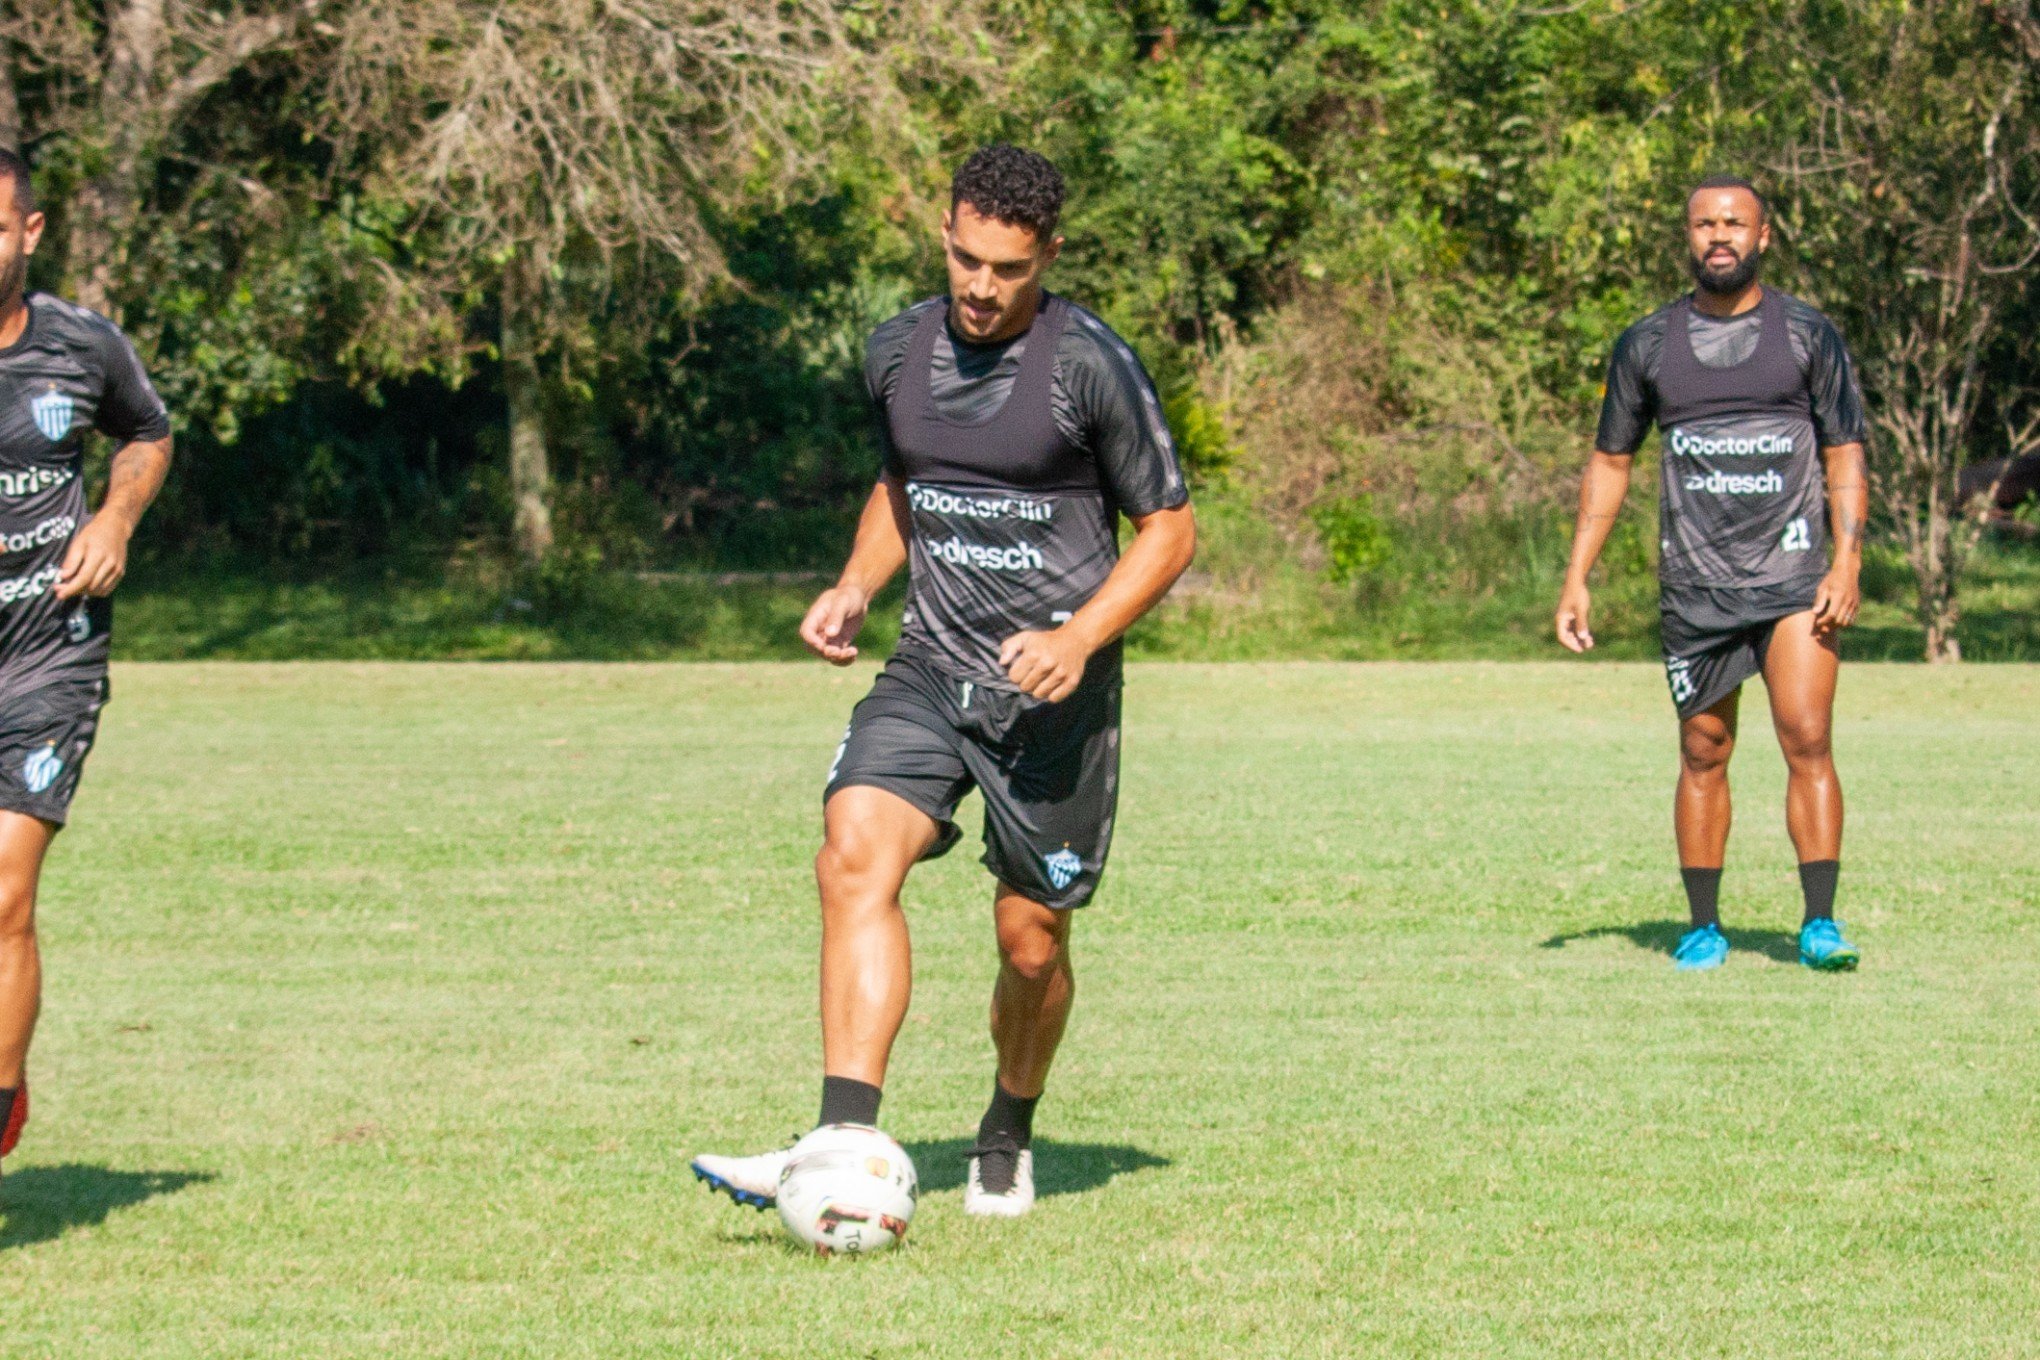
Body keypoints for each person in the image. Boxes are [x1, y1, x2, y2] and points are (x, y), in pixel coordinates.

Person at [691, 144, 1195, 1216]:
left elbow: (1170, 531)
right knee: (852, 853)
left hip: (1051, 702)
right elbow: (904, 483)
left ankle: (1008, 1125)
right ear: (946, 236)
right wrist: (855, 582)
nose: (980, 286)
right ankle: (844, 1136)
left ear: (1048, 257)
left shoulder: (1091, 365)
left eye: (1008, 269)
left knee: (1031, 941)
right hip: (930, 665)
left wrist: (1080, 636)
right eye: (966, 258)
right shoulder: (897, 349)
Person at [1556, 174, 1869, 973]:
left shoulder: (1806, 334)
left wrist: (1848, 559)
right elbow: (1610, 462)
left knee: (1808, 739)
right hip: (1696, 587)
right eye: (1704, 224)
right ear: (1688, 238)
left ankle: (1820, 925)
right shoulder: (1649, 344)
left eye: (1735, 223)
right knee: (1703, 750)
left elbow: (1844, 453)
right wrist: (1577, 576)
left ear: (1764, 237)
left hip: (1796, 581)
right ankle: (1703, 927)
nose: (1719, 236)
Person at [0, 147, 175, 1183]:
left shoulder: (80, 342)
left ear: (29, 232)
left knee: (2, 893)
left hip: (44, 657)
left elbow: (148, 432)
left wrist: (115, 515)